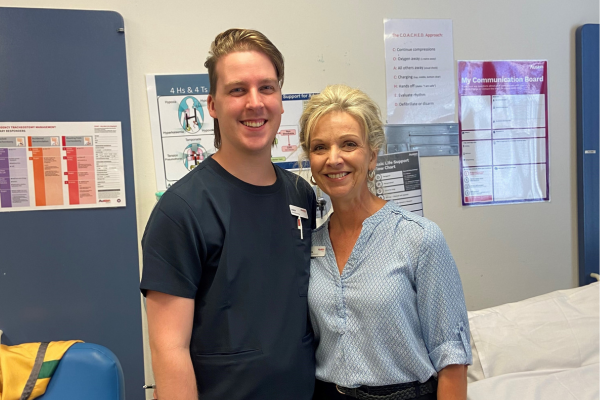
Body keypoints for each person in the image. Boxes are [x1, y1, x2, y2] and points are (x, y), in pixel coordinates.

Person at [140, 29, 317, 400]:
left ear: (281, 101)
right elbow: (169, 352)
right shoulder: (181, 212)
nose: (255, 103)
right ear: (213, 105)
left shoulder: (301, 195)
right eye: (238, 90)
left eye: (266, 88)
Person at [299, 84, 472, 400]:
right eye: (320, 147)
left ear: (373, 157)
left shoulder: (418, 238)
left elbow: (452, 358)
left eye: (349, 144)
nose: (333, 159)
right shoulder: (308, 246)